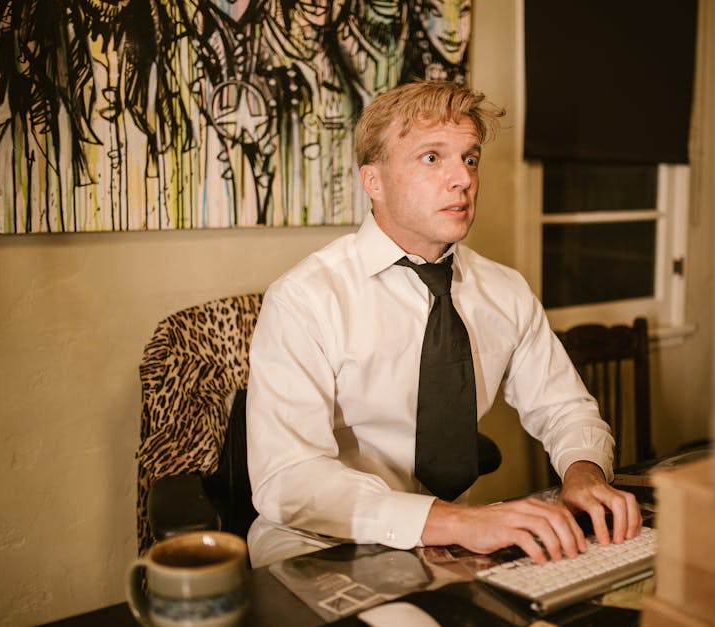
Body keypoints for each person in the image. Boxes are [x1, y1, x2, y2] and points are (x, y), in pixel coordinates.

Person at [246, 80, 642, 568]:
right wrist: (459, 522)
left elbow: (565, 408)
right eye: (432, 157)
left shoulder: (505, 290)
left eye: (470, 159)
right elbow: (288, 479)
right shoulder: (304, 299)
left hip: (451, 545)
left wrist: (584, 473)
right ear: (373, 181)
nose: (462, 179)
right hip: (319, 546)